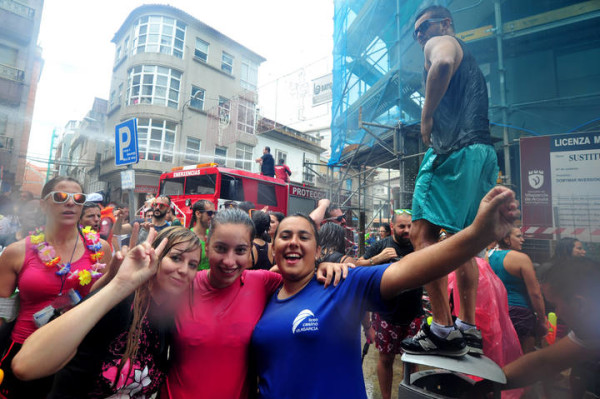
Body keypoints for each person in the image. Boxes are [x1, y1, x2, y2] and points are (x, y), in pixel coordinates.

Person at [250, 186, 519, 398]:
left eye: (304, 237)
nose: (294, 242)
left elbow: (410, 268)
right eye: (285, 236)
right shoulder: (261, 291)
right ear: (273, 248)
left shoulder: (341, 284)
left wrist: (478, 235)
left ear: (318, 250)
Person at [161, 208, 349, 398]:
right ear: (207, 246)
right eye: (220, 248)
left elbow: (300, 277)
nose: (229, 261)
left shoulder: (261, 282)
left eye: (240, 250)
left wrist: (323, 266)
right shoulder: (183, 285)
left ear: (250, 249)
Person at [402, 5, 499, 357]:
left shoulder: (442, 42)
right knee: (463, 241)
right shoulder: (466, 57)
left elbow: (441, 63)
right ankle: (467, 328)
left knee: (422, 234)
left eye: (424, 27)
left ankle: (442, 329)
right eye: (416, 33)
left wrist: (425, 118)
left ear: (445, 24)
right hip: (481, 152)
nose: (420, 36)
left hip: (452, 151)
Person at [11, 226, 200, 398]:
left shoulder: (168, 317)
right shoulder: (122, 300)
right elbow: (25, 365)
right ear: (155, 255)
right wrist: (120, 284)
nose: (184, 270)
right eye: (176, 258)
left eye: (193, 264)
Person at [0, 176, 111, 398]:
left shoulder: (102, 249)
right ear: (43, 204)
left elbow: (105, 300)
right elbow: (1, 311)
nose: (70, 203)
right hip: (25, 351)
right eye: (60, 197)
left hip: (79, 353)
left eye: (78, 198)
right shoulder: (16, 251)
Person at [474, 257, 600, 397]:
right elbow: (543, 362)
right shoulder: (591, 328)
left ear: (579, 304)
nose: (557, 313)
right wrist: (485, 385)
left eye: (555, 305)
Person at [356, 209, 422, 399]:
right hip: (386, 315)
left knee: (412, 360)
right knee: (386, 359)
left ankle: (410, 395)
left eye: (410, 226)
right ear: (392, 226)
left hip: (414, 313)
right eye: (402, 226)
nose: (407, 230)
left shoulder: (417, 246)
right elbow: (357, 266)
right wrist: (378, 259)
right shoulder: (381, 246)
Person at [488, 226, 546, 354]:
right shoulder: (521, 258)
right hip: (520, 315)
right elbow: (535, 293)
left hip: (494, 314)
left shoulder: (487, 257)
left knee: (500, 356)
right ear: (507, 239)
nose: (523, 240)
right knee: (523, 360)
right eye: (518, 236)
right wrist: (542, 320)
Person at [188, 199, 215, 270]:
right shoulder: (188, 237)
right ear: (198, 214)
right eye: (209, 213)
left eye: (214, 213)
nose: (212, 216)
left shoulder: (213, 234)